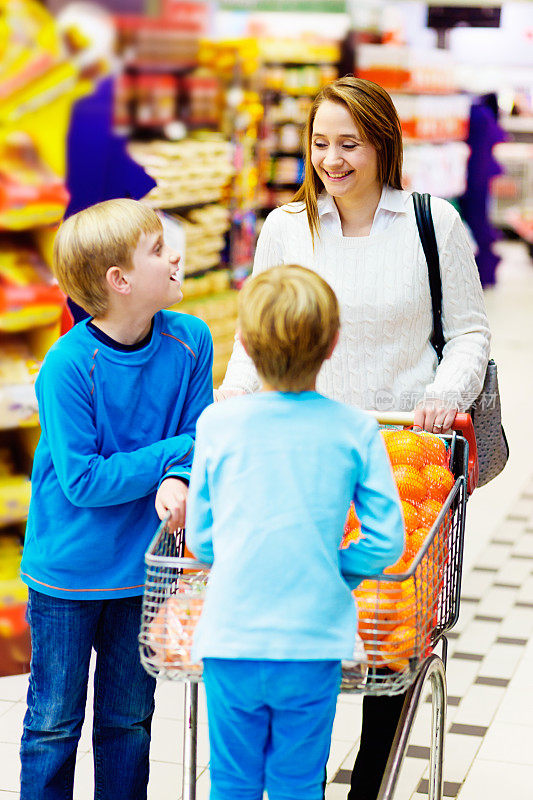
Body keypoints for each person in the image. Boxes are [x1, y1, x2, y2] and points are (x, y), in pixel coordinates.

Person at [217, 77, 491, 799]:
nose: (330, 160)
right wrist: (232, 405)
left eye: (348, 144)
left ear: (382, 144)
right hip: (301, 456)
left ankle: (368, 782)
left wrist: (441, 396)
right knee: (304, 623)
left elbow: (468, 335)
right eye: (318, 144)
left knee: (388, 629)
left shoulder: (433, 224)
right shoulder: (286, 227)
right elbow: (255, 335)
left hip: (404, 454)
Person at [185, 264, 405, 800]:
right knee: (298, 782)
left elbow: (201, 538)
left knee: (233, 780)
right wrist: (337, 568)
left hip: (232, 636)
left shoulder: (218, 424)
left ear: (241, 342)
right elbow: (387, 541)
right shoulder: (355, 429)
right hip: (313, 641)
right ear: (332, 344)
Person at [19, 198, 213, 800]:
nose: (175, 256)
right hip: (67, 577)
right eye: (158, 249)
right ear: (120, 281)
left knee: (128, 723)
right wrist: (174, 454)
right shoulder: (69, 366)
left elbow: (196, 443)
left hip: (143, 574)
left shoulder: (191, 339)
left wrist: (180, 469)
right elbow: (84, 481)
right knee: (53, 723)